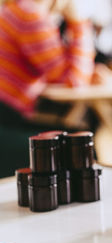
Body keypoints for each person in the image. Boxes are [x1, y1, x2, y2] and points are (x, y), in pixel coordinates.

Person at [0, 0, 95, 176]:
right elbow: (74, 81)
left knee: (78, 136)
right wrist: (79, 22)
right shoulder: (30, 16)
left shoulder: (15, 9)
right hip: (5, 125)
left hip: (7, 119)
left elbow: (60, 72)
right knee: (80, 144)